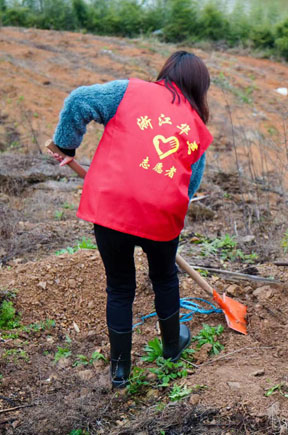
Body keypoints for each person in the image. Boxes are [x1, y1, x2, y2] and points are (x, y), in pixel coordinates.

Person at [50, 51, 213, 388]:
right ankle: (172, 346)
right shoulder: (196, 126)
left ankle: (120, 371)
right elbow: (190, 184)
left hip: (111, 208)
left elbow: (79, 100)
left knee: (120, 287)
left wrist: (67, 146)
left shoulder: (129, 91)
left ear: (166, 72)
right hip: (161, 215)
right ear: (199, 88)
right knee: (165, 278)